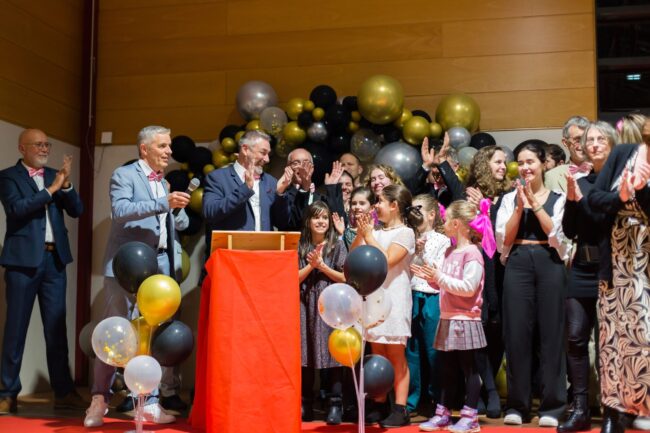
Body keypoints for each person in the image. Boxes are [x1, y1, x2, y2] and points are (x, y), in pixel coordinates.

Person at [84, 125, 191, 427]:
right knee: (115, 332)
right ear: (145, 149)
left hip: (159, 266)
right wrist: (163, 203)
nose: (169, 151)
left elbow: (176, 223)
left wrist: (177, 210)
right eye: (163, 146)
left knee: (151, 335)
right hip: (125, 266)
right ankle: (99, 399)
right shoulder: (124, 175)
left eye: (169, 146)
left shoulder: (164, 181)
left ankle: (148, 403)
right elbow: (120, 211)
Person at [0, 128, 85, 415]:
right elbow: (17, 209)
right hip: (22, 263)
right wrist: (51, 190)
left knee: (56, 330)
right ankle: (8, 393)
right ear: (22, 148)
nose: (44, 149)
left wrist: (67, 184)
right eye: (38, 144)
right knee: (15, 330)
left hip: (54, 261)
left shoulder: (55, 175)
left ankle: (63, 392)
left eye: (47, 144)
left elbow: (77, 210)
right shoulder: (7, 177)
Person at [496, 141, 570, 427]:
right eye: (521, 162)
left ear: (543, 165)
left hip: (549, 262)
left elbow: (558, 236)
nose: (525, 168)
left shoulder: (559, 198)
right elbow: (504, 239)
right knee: (516, 334)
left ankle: (553, 406)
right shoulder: (508, 199)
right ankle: (517, 405)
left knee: (552, 334)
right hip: (517, 263)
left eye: (531, 162)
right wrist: (518, 207)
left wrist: (535, 205)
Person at [587, 117, 650, 433]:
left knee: (644, 338)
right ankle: (614, 412)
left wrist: (642, 190)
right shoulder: (622, 154)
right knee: (613, 340)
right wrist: (621, 196)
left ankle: (643, 406)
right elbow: (594, 199)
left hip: (645, 263)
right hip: (616, 263)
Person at [558, 121, 618, 433]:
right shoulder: (581, 181)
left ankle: (612, 414)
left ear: (612, 143)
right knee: (575, 338)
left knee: (609, 344)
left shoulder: (620, 181)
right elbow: (570, 230)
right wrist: (571, 201)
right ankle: (580, 409)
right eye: (589, 140)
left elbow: (603, 221)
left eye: (599, 139)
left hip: (612, 270)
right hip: (581, 268)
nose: (593, 144)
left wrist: (580, 199)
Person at [412, 200, 487, 433]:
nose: (443, 224)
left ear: (456, 224)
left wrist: (439, 278)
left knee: (468, 368)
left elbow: (468, 288)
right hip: (448, 317)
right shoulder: (449, 252)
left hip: (465, 318)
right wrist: (431, 277)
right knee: (446, 367)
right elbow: (444, 283)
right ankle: (442, 413)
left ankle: (471, 416)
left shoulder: (472, 253)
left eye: (445, 221)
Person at [351, 184, 421, 428]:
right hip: (374, 299)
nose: (375, 206)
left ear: (394, 205)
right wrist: (361, 235)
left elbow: (387, 261)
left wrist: (369, 236)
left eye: (379, 201)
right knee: (377, 352)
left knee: (396, 355)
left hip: (395, 299)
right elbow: (354, 256)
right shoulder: (376, 232)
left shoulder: (406, 233)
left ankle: (401, 408)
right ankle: (379, 403)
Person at [298, 201, 347, 425]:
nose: (321, 221)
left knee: (332, 352)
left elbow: (346, 278)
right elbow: (293, 278)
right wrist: (312, 265)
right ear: (308, 221)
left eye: (325, 217)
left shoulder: (337, 245)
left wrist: (323, 267)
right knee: (305, 353)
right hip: (304, 303)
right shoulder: (300, 245)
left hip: (331, 304)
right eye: (316, 217)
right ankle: (305, 403)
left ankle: (335, 404)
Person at [202, 130, 293, 249]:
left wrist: (280, 193)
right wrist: (245, 189)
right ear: (245, 149)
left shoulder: (270, 181)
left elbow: (282, 223)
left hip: (263, 254)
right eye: (263, 152)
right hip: (232, 255)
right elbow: (210, 213)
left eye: (268, 154)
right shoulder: (218, 178)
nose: (267, 159)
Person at [405, 194, 450, 416]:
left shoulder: (442, 240)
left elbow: (438, 269)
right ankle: (412, 400)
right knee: (412, 351)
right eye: (412, 209)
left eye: (419, 209)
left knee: (433, 351)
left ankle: (437, 399)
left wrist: (422, 254)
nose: (415, 213)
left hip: (432, 297)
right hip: (411, 295)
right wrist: (414, 250)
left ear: (432, 214)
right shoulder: (408, 236)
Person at [545, 116, 591, 192]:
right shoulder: (551, 176)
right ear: (565, 143)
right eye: (578, 140)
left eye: (586, 139)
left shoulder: (604, 172)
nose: (583, 145)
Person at [333, 186, 375, 251]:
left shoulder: (379, 229)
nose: (357, 207)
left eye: (362, 203)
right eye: (354, 203)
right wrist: (341, 234)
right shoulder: (348, 233)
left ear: (372, 208)